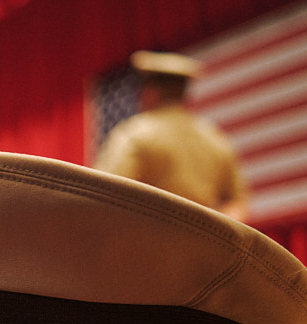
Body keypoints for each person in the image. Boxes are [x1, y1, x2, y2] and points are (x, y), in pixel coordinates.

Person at [95, 50, 249, 222]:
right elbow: (237, 203)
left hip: (146, 235)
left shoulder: (133, 134)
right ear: (184, 95)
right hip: (202, 238)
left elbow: (105, 195)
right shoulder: (215, 138)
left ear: (151, 92)